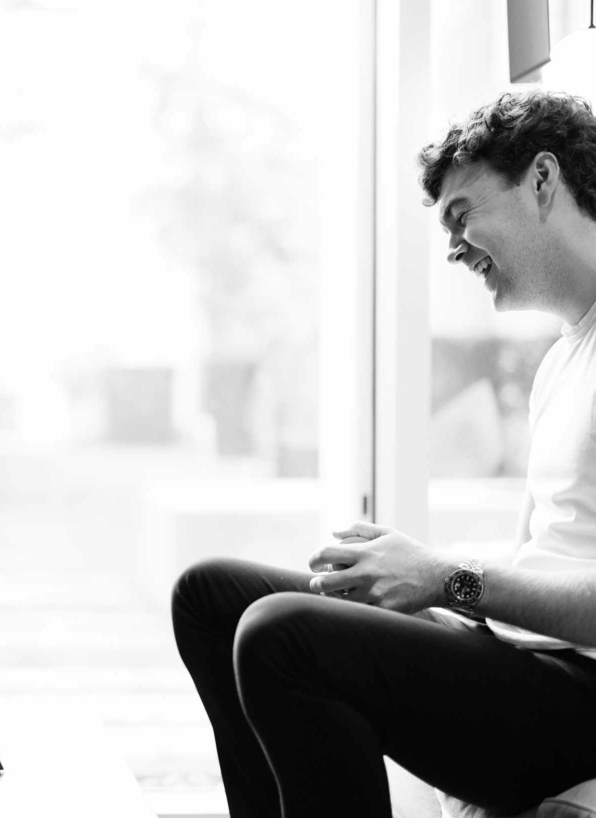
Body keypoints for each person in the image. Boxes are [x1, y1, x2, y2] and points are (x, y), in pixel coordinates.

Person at [172, 89, 596, 818]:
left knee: (283, 635)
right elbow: (545, 553)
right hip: (526, 656)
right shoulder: (565, 358)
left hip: (579, 699)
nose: (454, 248)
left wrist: (443, 578)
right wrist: (444, 599)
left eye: (463, 215)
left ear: (542, 179)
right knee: (212, 596)